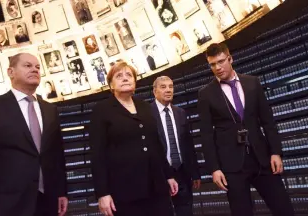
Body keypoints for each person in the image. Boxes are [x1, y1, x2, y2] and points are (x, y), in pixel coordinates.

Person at [198, 43, 294, 216]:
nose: (218, 68)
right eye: (212, 64)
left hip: (262, 158)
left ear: (230, 58)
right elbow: (206, 134)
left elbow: (268, 121)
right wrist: (214, 168)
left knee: (283, 208)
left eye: (221, 62)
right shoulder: (205, 93)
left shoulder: (252, 82)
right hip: (231, 165)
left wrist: (276, 152)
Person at [0, 53, 68, 216]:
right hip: (6, 204)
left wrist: (62, 192)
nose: (34, 69)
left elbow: (56, 155)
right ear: (10, 72)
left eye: (37, 67)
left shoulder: (50, 110)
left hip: (47, 203)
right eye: (28, 66)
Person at [90, 61, 178, 216]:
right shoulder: (101, 110)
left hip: (156, 187)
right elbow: (97, 155)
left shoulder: (145, 106)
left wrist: (169, 175)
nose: (125, 78)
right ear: (111, 85)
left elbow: (156, 144)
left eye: (129, 75)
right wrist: (102, 193)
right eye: (119, 76)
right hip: (124, 191)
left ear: (135, 82)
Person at [152, 76, 200, 216]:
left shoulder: (181, 113)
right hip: (159, 175)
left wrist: (195, 173)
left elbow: (189, 145)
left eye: (171, 86)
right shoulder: (146, 114)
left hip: (182, 172)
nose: (168, 90)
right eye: (163, 87)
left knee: (185, 210)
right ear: (155, 91)